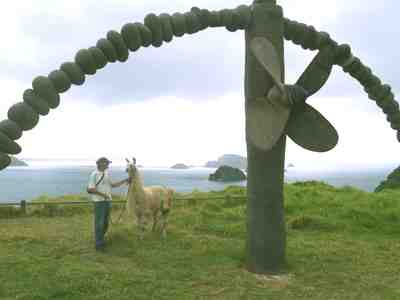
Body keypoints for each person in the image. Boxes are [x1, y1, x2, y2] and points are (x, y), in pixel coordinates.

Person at [87, 157, 129, 251]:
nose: (108, 165)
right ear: (101, 163)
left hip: (107, 201)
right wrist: (103, 195)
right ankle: (99, 244)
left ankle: (100, 239)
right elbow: (91, 189)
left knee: (105, 223)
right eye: (107, 163)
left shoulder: (106, 174)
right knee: (99, 223)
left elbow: (113, 185)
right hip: (99, 202)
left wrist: (125, 180)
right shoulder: (94, 174)